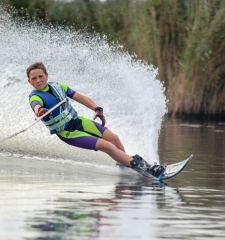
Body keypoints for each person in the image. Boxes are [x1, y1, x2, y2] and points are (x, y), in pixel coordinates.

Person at [26, 61, 165, 178]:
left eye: (40, 76)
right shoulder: (35, 96)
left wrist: (96, 108)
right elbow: (36, 107)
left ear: (46, 75)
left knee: (113, 138)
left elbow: (80, 97)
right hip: (67, 132)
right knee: (106, 145)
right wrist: (40, 111)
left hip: (78, 122)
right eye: (34, 79)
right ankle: (145, 169)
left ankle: (126, 164)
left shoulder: (58, 86)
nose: (38, 80)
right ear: (29, 81)